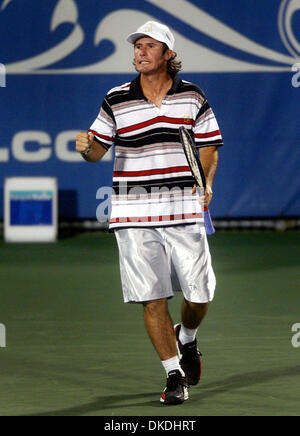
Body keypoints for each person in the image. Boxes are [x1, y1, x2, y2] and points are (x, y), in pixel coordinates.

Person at [75, 21, 223, 405]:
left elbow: (208, 147)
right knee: (152, 297)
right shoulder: (116, 98)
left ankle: (186, 338)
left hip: (184, 207)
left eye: (149, 46)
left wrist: (206, 182)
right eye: (137, 46)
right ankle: (174, 374)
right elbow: (96, 153)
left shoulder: (193, 96)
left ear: (168, 55)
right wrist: (85, 147)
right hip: (132, 210)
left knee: (201, 291)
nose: (140, 52)